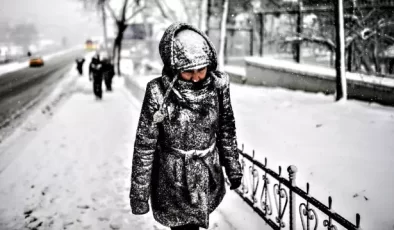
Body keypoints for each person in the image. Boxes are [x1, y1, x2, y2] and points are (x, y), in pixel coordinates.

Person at [129, 22, 243, 230]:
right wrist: (140, 194)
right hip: (172, 180)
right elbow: (145, 145)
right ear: (173, 68)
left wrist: (233, 167)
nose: (197, 76)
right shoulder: (157, 92)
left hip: (206, 176)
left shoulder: (217, 89)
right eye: (188, 71)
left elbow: (226, 129)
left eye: (201, 69)